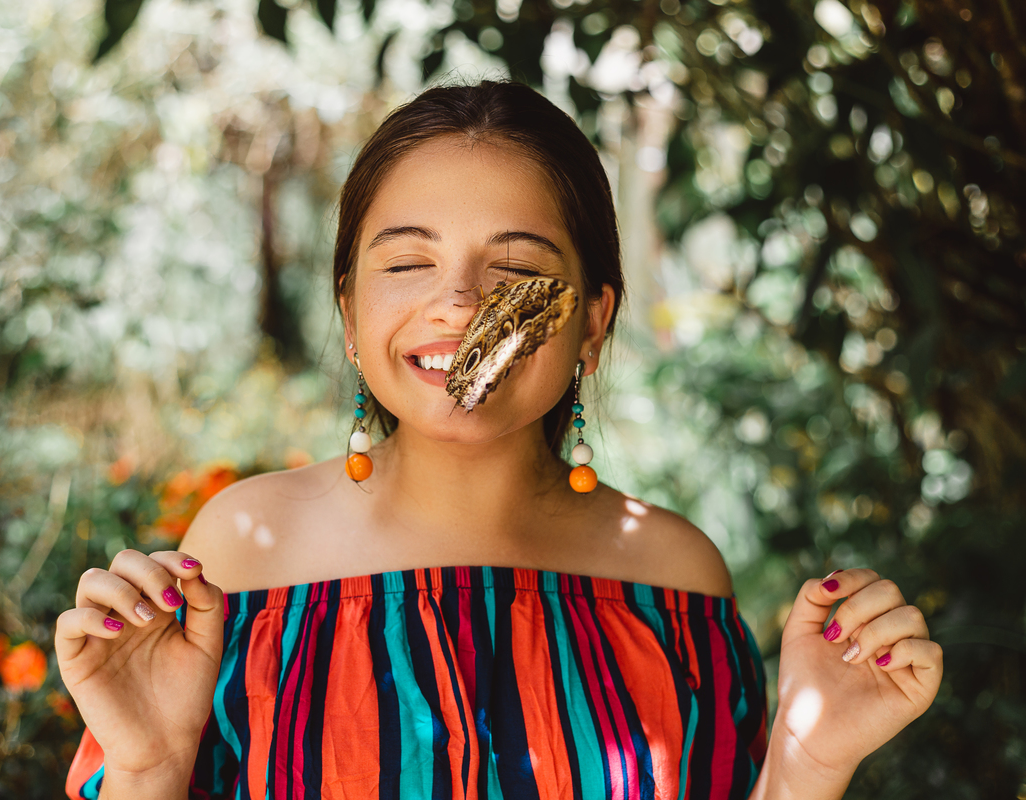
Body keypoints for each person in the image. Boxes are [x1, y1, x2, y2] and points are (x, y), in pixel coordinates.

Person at [58, 81, 942, 800]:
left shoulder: (673, 583)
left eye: (516, 268)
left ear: (592, 320)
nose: (460, 304)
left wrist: (808, 763)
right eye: (408, 262)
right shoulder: (240, 561)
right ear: (350, 312)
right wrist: (148, 767)